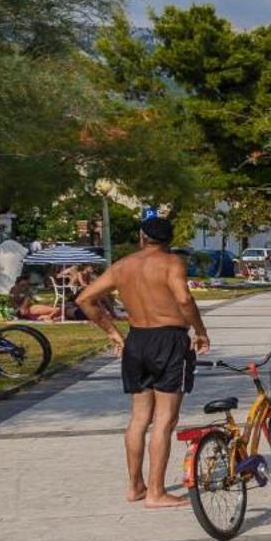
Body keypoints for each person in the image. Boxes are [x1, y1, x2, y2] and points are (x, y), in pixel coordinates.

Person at [74, 215, 211, 507]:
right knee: (164, 419)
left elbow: (84, 298)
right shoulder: (172, 262)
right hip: (169, 339)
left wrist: (112, 333)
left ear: (141, 237)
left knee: (138, 418)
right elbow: (184, 299)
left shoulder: (122, 266)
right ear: (169, 240)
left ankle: (135, 486)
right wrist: (199, 331)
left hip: (137, 340)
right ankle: (156, 493)